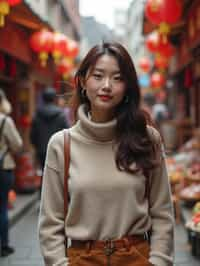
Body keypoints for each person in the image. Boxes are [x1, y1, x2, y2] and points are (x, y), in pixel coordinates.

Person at [38, 42, 174, 266]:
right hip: (82, 259)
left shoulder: (147, 139)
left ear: (128, 86)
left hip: (136, 258)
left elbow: (162, 213)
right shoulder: (62, 144)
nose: (107, 86)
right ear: (83, 81)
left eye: (118, 78)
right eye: (98, 76)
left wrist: (158, 261)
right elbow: (51, 223)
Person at [0, 89, 23, 257]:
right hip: (3, 168)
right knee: (2, 207)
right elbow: (17, 145)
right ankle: (4, 246)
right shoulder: (4, 121)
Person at [30, 87, 69, 171]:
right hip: (57, 149)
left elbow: (33, 135)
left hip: (41, 150)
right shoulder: (61, 115)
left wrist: (37, 146)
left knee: (44, 172)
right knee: (56, 173)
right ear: (54, 98)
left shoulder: (37, 115)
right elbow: (67, 133)